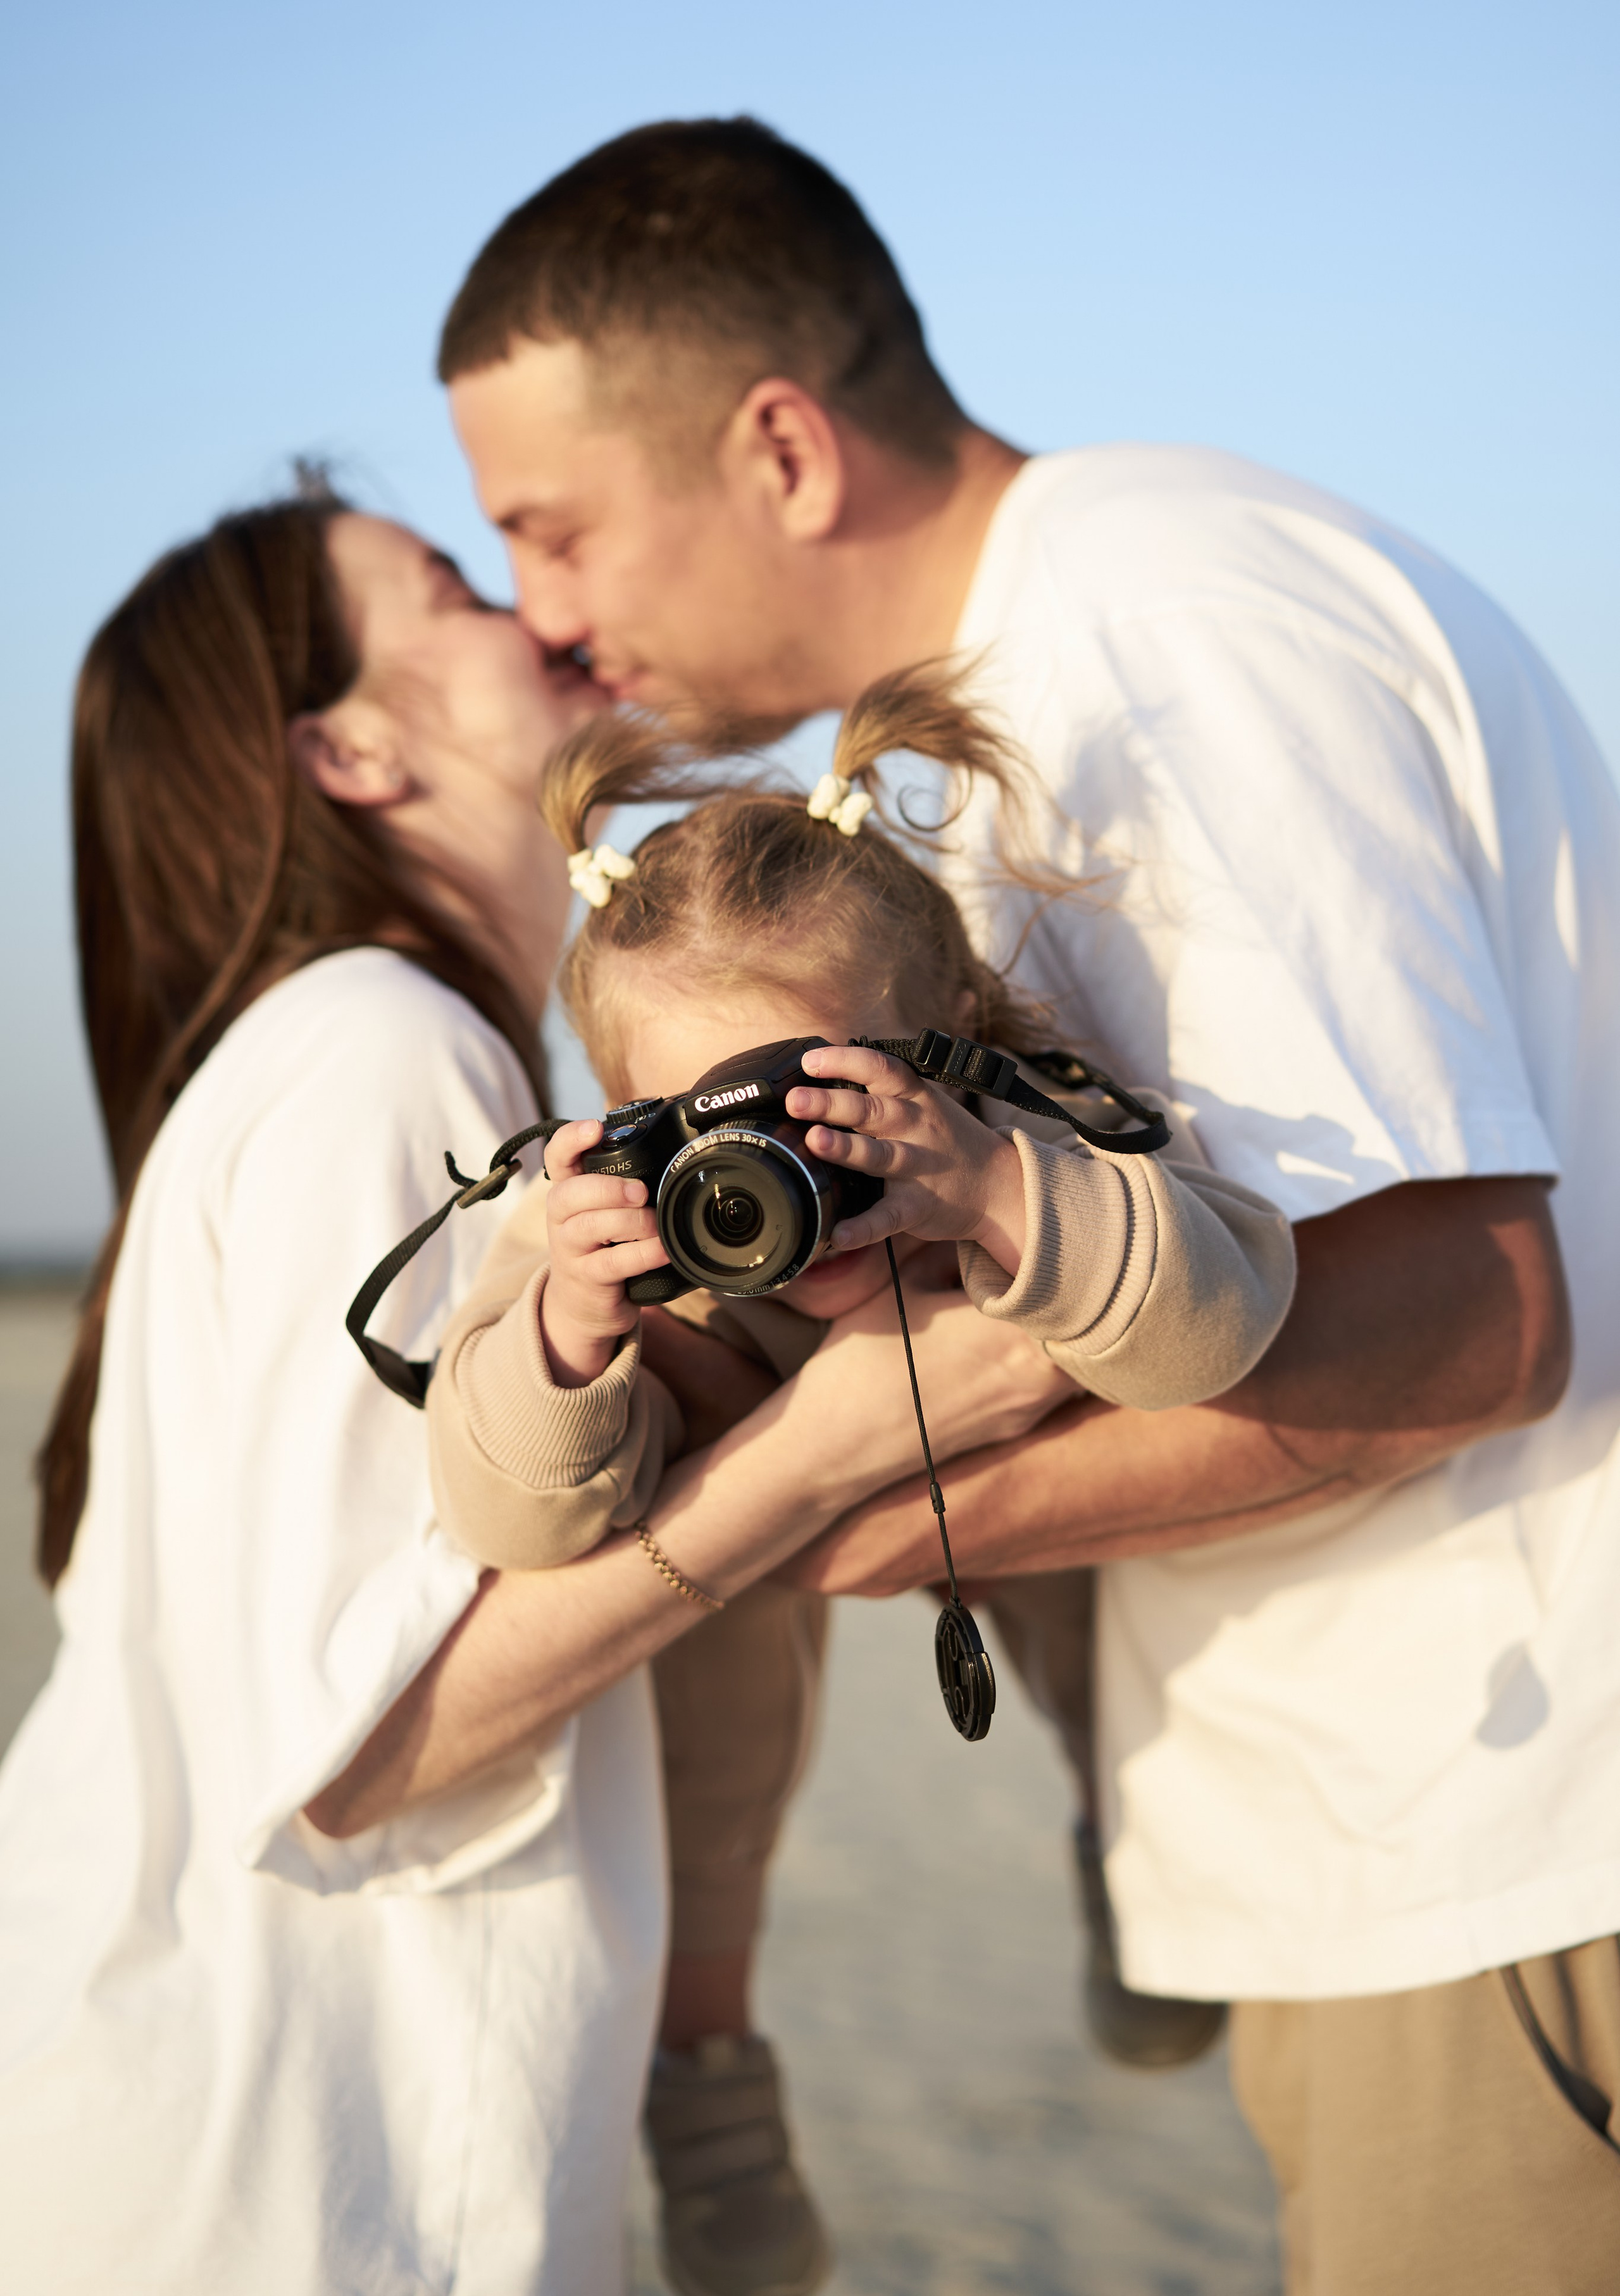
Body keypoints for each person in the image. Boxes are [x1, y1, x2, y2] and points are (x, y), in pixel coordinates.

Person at [436, 116, 1620, 2292]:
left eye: (552, 528)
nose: (549, 623)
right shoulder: (1070, 666)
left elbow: (1476, 1313)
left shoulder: (1154, 650)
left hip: (1500, 1843)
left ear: (780, 448)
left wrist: (824, 1516)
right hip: (1420, 1837)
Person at [0, 486, 1059, 2295]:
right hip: (289, 2179)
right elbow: (361, 1750)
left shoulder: (355, 1045)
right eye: (456, 594)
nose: (544, 618)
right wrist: (840, 1446)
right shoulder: (379, 1051)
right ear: (350, 743)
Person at [423, 666, 1295, 2295]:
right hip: (745, 1502)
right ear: (621, 1118)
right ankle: (712, 2079)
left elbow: (1222, 1324)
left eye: (815, 1105)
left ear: (945, 1043)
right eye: (702, 1125)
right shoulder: (597, 1230)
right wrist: (562, 1325)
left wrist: (1000, 1195)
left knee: (1089, 1580)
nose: (772, 1180)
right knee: (704, 1679)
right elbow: (506, 1515)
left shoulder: (1012, 1126)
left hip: (1015, 1478)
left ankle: (1123, 1842)